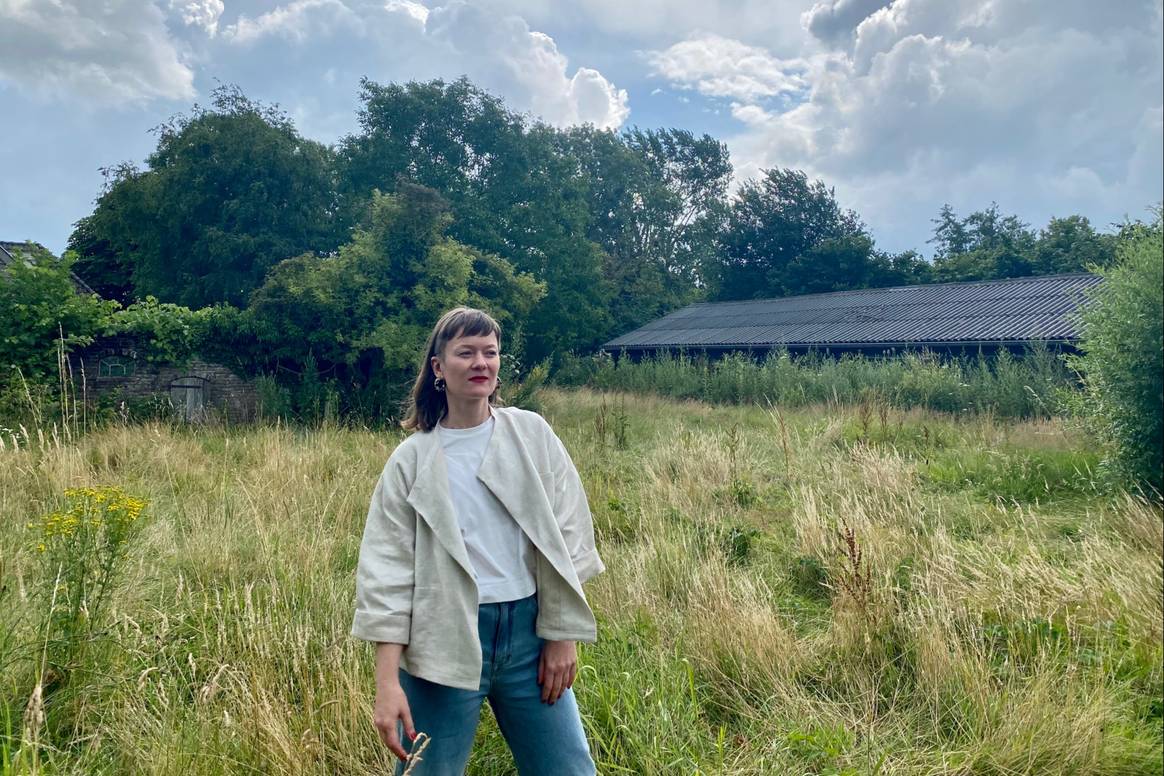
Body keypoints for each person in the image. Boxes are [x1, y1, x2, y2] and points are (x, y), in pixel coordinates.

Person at [352, 306, 605, 775]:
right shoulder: (411, 462)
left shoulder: (531, 434)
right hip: (442, 639)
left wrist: (562, 634)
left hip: (530, 638)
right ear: (438, 368)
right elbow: (385, 576)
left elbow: (570, 535)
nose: (480, 363)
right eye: (465, 352)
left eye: (490, 353)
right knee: (427, 771)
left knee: (569, 770)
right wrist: (387, 683)